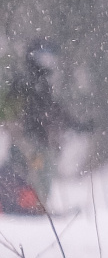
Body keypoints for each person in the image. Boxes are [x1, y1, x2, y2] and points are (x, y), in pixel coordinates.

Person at [0, 39, 90, 214]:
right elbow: (13, 112)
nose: (50, 62)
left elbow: (53, 109)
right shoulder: (26, 82)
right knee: (27, 175)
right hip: (28, 143)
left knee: (32, 175)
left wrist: (77, 125)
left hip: (36, 142)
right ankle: (25, 207)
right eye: (45, 56)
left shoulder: (40, 83)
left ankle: (30, 207)